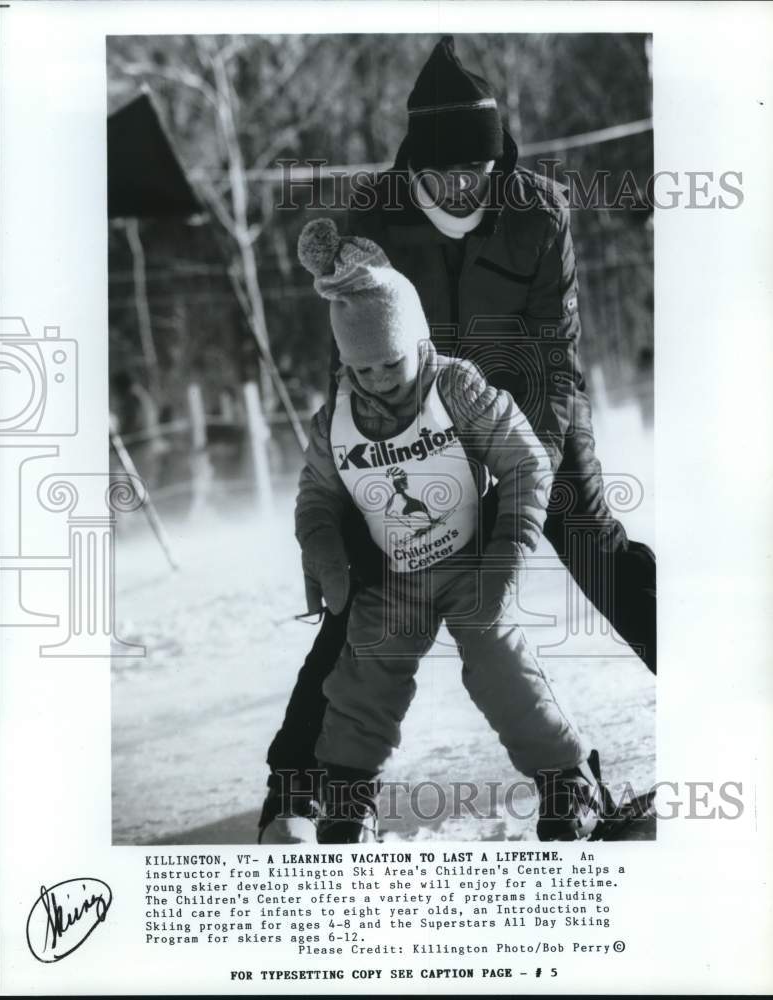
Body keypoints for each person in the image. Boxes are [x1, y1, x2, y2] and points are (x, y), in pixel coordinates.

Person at [259, 36, 655, 843]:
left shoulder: (539, 211)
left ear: (494, 160)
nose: (458, 185)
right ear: (413, 167)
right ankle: (293, 791)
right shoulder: (376, 211)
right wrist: (352, 477)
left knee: (590, 540)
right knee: (359, 586)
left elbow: (553, 358)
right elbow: (353, 344)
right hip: (411, 410)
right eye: (441, 173)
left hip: (525, 409)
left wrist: (523, 478)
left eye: (473, 172)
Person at [292, 217, 607, 844]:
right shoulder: (334, 421)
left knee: (499, 662)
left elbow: (525, 461)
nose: (379, 378)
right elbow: (316, 499)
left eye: (390, 362)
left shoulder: (454, 386)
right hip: (395, 573)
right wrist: (324, 552)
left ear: (416, 342)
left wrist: (508, 553)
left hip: (471, 562)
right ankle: (349, 798)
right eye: (363, 368)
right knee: (366, 671)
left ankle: (566, 779)